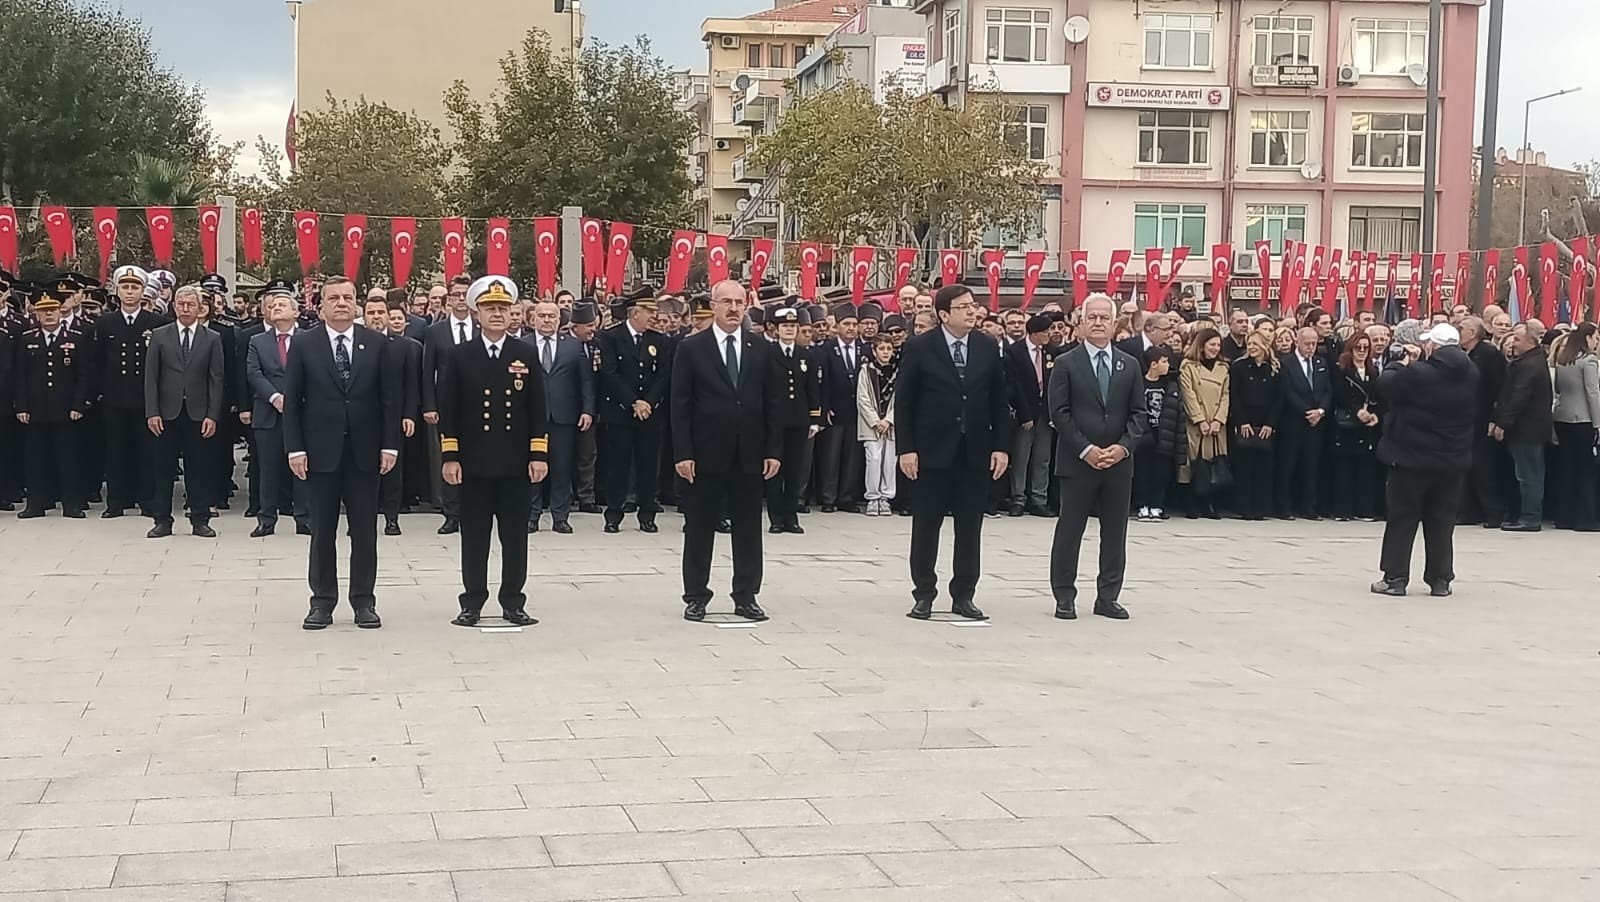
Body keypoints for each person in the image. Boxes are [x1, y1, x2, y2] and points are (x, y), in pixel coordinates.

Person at [283, 276, 402, 630]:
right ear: (321, 306)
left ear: (357, 303)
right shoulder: (305, 343)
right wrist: (295, 448)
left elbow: (389, 399)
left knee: (364, 530)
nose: (341, 303)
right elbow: (293, 401)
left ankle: (364, 601)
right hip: (320, 451)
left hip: (365, 450)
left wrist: (389, 444)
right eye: (333, 298)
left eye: (347, 297)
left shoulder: (376, 343)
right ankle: (322, 602)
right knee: (322, 530)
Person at [437, 277, 549, 626]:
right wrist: (450, 456)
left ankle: (513, 601)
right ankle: (472, 602)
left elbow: (538, 407)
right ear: (477, 313)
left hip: (515, 462)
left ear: (513, 313)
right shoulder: (460, 355)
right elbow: (449, 409)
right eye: (490, 309)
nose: (497, 314)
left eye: (503, 308)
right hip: (474, 462)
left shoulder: (525, 353)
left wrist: (538, 454)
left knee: (515, 536)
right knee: (474, 537)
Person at [896, 284, 1011, 621]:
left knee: (969, 527)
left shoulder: (987, 346)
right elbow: (905, 402)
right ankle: (924, 593)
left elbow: (998, 401)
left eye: (973, 305)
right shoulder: (920, 347)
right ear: (944, 314)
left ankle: (964, 594)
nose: (972, 311)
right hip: (932, 449)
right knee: (926, 525)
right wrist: (907, 449)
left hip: (974, 450)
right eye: (963, 307)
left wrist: (1001, 446)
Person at [671, 279, 784, 623]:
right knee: (699, 527)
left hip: (749, 453)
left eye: (739, 302)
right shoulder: (692, 348)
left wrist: (773, 450)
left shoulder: (761, 348)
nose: (734, 308)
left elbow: (773, 403)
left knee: (748, 528)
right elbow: (680, 405)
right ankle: (696, 596)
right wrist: (683, 452)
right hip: (705, 453)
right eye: (727, 302)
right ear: (714, 305)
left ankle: (746, 595)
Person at [1047, 294, 1146, 620]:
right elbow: (1059, 413)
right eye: (1093, 317)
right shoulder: (1065, 363)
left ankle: (1108, 596)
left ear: (1114, 323)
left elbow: (1138, 413)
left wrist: (1123, 447)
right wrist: (1086, 449)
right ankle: (1064, 595)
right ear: (1081, 322)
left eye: (1105, 317)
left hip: (1118, 463)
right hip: (1078, 461)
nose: (1099, 323)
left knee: (1115, 532)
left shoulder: (1129, 365)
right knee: (1070, 530)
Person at [1371, 324, 1477, 597]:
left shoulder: (1419, 373)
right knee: (1442, 520)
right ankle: (1440, 579)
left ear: (1435, 346)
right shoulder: (1471, 373)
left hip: (1411, 458)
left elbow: (1386, 384)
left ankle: (1395, 577)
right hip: (1451, 458)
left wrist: (1400, 363)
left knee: (1403, 518)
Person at [144, 285, 225, 538]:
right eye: (181, 304)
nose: (186, 309)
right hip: (166, 412)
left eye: (191, 304)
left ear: (200, 308)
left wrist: (212, 414)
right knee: (163, 468)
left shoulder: (212, 338)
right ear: (174, 306)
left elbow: (216, 379)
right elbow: (151, 377)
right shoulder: (160, 335)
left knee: (198, 468)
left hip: (198, 412)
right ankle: (162, 520)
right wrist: (152, 411)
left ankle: (199, 519)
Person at [15, 279, 92, 519]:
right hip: (36, 409)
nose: (48, 315)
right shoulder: (27, 339)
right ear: (36, 314)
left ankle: (71, 504)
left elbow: (83, 375)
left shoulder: (76, 338)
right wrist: (22, 406)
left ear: (60, 311)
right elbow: (20, 376)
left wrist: (78, 404)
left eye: (52, 310)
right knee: (35, 458)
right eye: (43, 311)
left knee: (68, 458)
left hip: (65, 408)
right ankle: (36, 504)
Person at [95, 266, 165, 518]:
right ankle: (116, 501)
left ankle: (147, 500)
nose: (129, 292)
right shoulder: (105, 322)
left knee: (146, 451)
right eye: (125, 287)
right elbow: (98, 360)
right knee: (116, 450)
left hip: (145, 397)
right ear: (117, 291)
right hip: (114, 397)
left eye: (135, 287)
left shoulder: (156, 322)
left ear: (143, 291)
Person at [598, 292, 669, 533]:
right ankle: (613, 514)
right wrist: (633, 402)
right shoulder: (610, 337)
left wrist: (648, 402)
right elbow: (610, 373)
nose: (654, 316)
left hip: (649, 413)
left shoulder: (659, 340)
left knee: (648, 466)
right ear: (635, 313)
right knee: (617, 465)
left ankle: (647, 513)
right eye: (650, 312)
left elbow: (663, 375)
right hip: (620, 411)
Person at [245, 292, 311, 537]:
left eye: (282, 304)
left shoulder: (309, 338)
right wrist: (274, 397)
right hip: (268, 413)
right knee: (268, 469)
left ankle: (304, 518)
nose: (276, 308)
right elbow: (253, 373)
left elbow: (317, 371)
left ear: (296, 312)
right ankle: (266, 519)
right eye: (272, 306)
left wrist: (296, 399)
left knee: (303, 466)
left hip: (304, 412)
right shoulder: (257, 341)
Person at [527, 298, 593, 534]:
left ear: (559, 319)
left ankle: (560, 517)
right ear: (532, 319)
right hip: (531, 416)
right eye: (542, 315)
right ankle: (531, 516)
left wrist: (587, 409)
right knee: (532, 467)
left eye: (551, 316)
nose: (546, 320)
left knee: (562, 468)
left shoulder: (573, 346)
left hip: (564, 415)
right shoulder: (522, 344)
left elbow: (585, 380)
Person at [420, 275, 477, 534]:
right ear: (448, 300)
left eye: (465, 294)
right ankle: (452, 513)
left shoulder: (480, 328)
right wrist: (429, 405)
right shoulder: (435, 331)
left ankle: (474, 510)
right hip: (445, 404)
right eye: (456, 295)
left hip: (478, 403)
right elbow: (427, 371)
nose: (461, 299)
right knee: (448, 457)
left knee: (475, 457)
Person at [764, 307, 821, 534]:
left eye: (792, 326)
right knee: (774, 469)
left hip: (798, 419)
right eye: (785, 326)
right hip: (774, 420)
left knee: (794, 471)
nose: (789, 330)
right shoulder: (767, 353)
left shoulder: (806, 355)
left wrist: (814, 418)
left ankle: (791, 516)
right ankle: (776, 518)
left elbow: (812, 389)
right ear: (776, 329)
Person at [1494, 323, 1553, 531]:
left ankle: (1531, 517)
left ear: (1531, 341)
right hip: (1528, 428)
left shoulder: (1530, 365)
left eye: (1518, 339)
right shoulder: (1529, 361)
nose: (1513, 343)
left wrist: (1503, 423)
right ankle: (1528, 515)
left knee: (1529, 475)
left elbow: (1518, 397)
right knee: (1529, 473)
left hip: (1527, 429)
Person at [373, 298, 421, 535]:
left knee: (393, 469)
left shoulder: (402, 346)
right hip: (362, 417)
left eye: (380, 312)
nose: (376, 317)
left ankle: (392, 518)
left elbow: (411, 384)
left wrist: (409, 414)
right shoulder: (355, 343)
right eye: (371, 312)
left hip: (394, 416)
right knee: (364, 471)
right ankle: (362, 518)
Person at [1457, 316, 1509, 528]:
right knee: (1467, 468)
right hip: (1468, 420)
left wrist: (1495, 419)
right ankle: (1468, 511)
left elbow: (1499, 389)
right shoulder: (1467, 354)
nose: (1458, 331)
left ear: (1472, 333)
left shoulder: (1489, 354)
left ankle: (1493, 512)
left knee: (1484, 468)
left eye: (1461, 328)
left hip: (1484, 419)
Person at [1277, 327, 1332, 520]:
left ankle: (1308, 506)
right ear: (1297, 342)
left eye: (1314, 344)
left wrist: (1321, 411)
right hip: (1294, 421)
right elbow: (1287, 392)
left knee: (1311, 466)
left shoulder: (1321, 363)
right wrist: (1306, 411)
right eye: (1307, 343)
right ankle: (1284, 505)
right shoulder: (1286, 363)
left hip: (1316, 422)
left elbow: (1327, 390)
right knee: (1288, 465)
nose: (1311, 347)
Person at [1004, 313, 1056, 517]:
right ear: (1035, 333)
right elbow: (1015, 386)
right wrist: (1024, 415)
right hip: (1025, 413)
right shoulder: (1015, 352)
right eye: (1046, 331)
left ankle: (1039, 498)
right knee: (1021, 457)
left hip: (1046, 413)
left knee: (1042, 458)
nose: (1049, 335)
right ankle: (1018, 497)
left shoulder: (1051, 352)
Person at [1550, 322, 1600, 531]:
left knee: (1567, 469)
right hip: (1583, 419)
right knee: (1586, 471)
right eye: (1596, 338)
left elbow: (1558, 388)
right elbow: (1592, 393)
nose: (1597, 342)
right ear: (1587, 338)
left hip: (1563, 417)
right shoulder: (1588, 360)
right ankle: (1584, 519)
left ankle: (1564, 517)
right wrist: (1598, 424)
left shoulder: (1563, 360)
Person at [817, 304, 866, 513]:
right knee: (831, 455)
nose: (851, 328)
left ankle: (847, 497)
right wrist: (825, 407)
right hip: (835, 410)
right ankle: (828, 498)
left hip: (857, 411)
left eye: (854, 324)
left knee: (852, 456)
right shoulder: (826, 349)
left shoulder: (864, 349)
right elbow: (822, 381)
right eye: (847, 324)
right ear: (837, 326)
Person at [1329, 331, 1382, 521]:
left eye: (1365, 348)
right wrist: (1356, 410)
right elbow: (1339, 395)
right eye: (1358, 347)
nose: (1361, 351)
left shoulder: (1372, 371)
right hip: (1346, 423)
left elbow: (1377, 397)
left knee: (1365, 469)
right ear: (1350, 349)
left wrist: (1375, 415)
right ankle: (1342, 510)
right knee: (1343, 469)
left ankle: (1363, 509)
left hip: (1366, 426)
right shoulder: (1341, 370)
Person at [1228, 331, 1282, 521]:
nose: (1251, 347)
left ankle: (1261, 508)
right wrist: (1242, 421)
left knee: (1263, 467)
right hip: (1246, 421)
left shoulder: (1275, 367)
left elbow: (1279, 398)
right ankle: (1244, 507)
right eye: (1249, 343)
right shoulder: (1239, 366)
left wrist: (1270, 423)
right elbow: (1235, 395)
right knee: (1245, 466)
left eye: (1255, 344)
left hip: (1266, 422)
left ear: (1265, 345)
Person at [1179, 327, 1229, 520]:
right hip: (1196, 423)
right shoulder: (1188, 366)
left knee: (1213, 464)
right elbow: (1188, 393)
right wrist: (1199, 419)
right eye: (1212, 344)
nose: (1215, 348)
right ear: (1201, 346)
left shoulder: (1223, 368)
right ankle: (1190, 503)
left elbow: (1225, 395)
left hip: (1216, 424)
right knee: (1192, 464)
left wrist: (1219, 419)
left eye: (1218, 345)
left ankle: (1209, 504)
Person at [1133, 345, 1183, 521]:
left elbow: (1177, 410)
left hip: (1164, 434)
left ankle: (1157, 505)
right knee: (1142, 473)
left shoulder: (1170, 385)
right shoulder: (1138, 384)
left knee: (1161, 473)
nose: (1167, 365)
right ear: (1153, 364)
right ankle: (1142, 505)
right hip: (1144, 435)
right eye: (1164, 361)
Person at [857, 333, 898, 516]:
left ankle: (886, 497)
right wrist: (875, 421)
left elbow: (901, 399)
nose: (885, 352)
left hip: (891, 424)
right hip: (871, 424)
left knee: (890, 461)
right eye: (881, 348)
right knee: (873, 459)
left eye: (889, 348)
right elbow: (862, 399)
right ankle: (873, 497)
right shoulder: (866, 370)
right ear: (874, 351)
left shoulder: (899, 371)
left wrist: (889, 419)